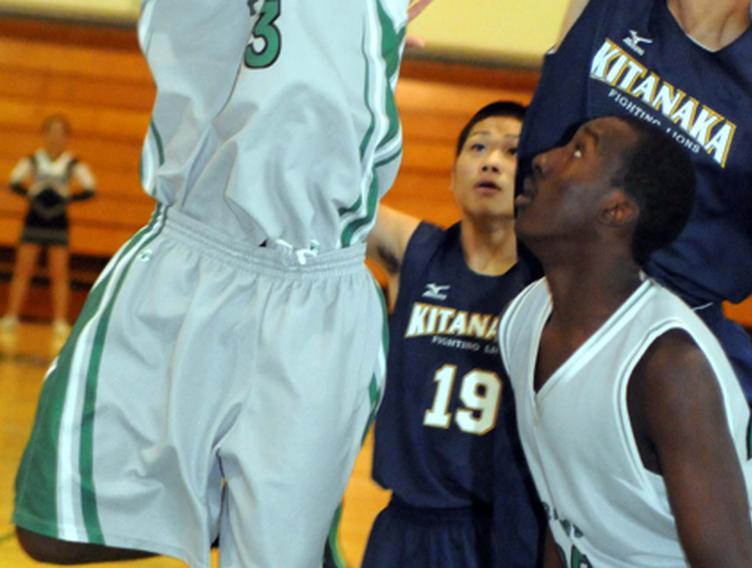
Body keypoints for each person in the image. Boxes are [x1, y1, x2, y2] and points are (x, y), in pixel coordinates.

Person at [14, 1, 433, 566]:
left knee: (277, 557)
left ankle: (242, 513)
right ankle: (205, 508)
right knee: (53, 526)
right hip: (194, 249)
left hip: (319, 289)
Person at [518, 0, 752, 523]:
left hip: (677, 348)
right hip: (553, 314)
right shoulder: (603, 9)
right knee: (531, 529)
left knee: (734, 536)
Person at [499, 115, 752, 567]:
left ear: (617, 210)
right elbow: (568, 521)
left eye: (579, 150)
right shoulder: (524, 319)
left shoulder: (667, 366)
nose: (542, 160)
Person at [361, 101, 542, 567]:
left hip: (495, 532)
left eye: (511, 151)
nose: (491, 161)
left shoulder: (549, 283)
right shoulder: (414, 252)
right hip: (402, 526)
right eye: (478, 146)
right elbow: (331, 191)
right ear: (453, 173)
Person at [1, 114, 95, 337]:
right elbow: (14, 182)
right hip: (34, 219)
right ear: (44, 135)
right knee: (23, 269)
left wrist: (67, 199)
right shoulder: (33, 160)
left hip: (58, 222)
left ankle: (60, 320)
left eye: (60, 133)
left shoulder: (73, 163)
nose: (55, 137)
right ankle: (11, 316)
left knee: (59, 272)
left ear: (66, 137)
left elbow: (90, 188)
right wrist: (31, 195)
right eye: (51, 132)